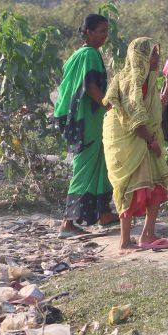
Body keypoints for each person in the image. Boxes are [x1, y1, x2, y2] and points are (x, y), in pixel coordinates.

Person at [102, 38, 168, 252]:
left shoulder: (148, 81)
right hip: (127, 138)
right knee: (129, 186)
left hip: (143, 136)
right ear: (138, 57)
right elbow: (136, 119)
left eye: (156, 53)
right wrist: (152, 142)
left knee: (156, 181)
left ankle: (148, 234)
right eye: (151, 54)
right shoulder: (129, 82)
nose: (156, 58)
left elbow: (153, 110)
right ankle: (124, 241)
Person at [54, 14, 116, 237]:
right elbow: (89, 85)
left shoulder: (81, 54)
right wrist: (109, 106)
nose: (105, 36)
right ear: (88, 32)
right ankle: (68, 223)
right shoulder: (89, 54)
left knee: (100, 163)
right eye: (101, 31)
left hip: (88, 118)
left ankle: (103, 213)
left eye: (106, 31)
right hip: (84, 120)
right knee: (84, 166)